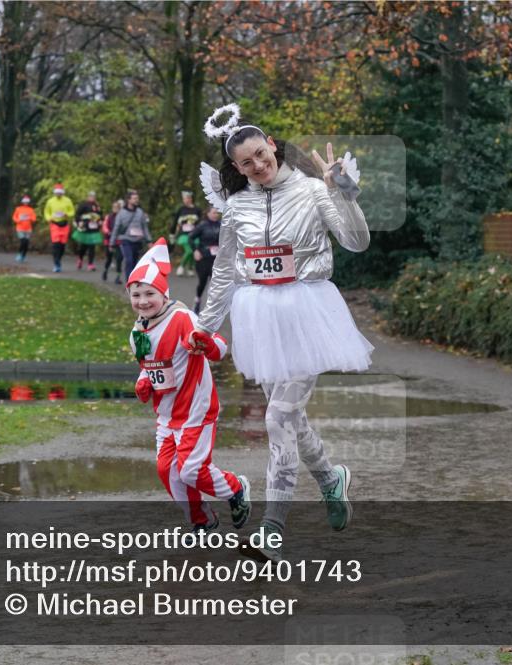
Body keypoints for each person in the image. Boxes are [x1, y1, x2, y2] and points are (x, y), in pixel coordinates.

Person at [191, 103, 372, 561]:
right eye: (245, 162)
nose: (257, 165)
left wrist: (344, 192)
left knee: (276, 419)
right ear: (236, 167)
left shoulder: (314, 189)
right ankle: (331, 481)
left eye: (260, 153)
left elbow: (356, 242)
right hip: (260, 318)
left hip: (307, 312)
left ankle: (272, 529)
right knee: (290, 418)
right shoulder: (236, 208)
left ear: (271, 144)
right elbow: (226, 271)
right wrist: (202, 328)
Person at [126, 238, 251, 532]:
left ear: (163, 293)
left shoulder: (182, 318)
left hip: (196, 409)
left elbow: (219, 349)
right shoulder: (137, 333)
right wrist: (143, 381)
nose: (143, 301)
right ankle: (202, 521)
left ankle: (235, 488)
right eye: (136, 294)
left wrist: (204, 342)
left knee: (191, 470)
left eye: (149, 293)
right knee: (167, 471)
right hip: (167, 415)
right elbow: (149, 367)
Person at [110, 189, 151, 284]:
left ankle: (134, 279)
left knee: (135, 262)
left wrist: (149, 240)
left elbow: (144, 227)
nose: (136, 200)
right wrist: (111, 243)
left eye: (137, 198)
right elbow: (116, 228)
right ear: (128, 200)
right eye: (134, 198)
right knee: (129, 260)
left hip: (138, 241)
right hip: (125, 240)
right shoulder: (121, 213)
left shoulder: (140, 212)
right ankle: (130, 282)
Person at [188, 206, 222, 314]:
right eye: (213, 213)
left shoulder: (222, 225)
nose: (216, 214)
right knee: (202, 282)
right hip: (203, 258)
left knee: (215, 283)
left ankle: (211, 308)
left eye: (217, 213)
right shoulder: (203, 225)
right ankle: (197, 300)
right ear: (208, 214)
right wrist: (195, 251)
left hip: (216, 259)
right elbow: (190, 238)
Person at [44, 183, 75, 273]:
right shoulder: (50, 201)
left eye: (60, 193)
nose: (58, 194)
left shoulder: (67, 200)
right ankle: (56, 264)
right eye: (57, 193)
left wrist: (67, 214)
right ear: (54, 193)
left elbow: (72, 211)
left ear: (62, 193)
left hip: (64, 224)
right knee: (56, 244)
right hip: (54, 224)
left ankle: (58, 260)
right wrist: (49, 218)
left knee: (62, 246)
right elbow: (46, 212)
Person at [170, 190, 202, 277]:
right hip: (183, 234)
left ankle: (190, 268)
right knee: (189, 250)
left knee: (193, 250)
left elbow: (200, 224)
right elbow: (174, 222)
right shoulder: (181, 209)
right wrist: (172, 234)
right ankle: (181, 266)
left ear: (191, 199)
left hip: (194, 234)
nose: (186, 200)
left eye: (188, 198)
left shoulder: (197, 210)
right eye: (184, 199)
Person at [73, 190, 104, 271]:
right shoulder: (83, 205)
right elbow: (77, 215)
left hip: (94, 229)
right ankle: (80, 259)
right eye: (91, 196)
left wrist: (100, 221)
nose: (92, 198)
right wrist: (79, 222)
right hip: (85, 228)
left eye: (93, 196)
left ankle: (90, 264)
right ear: (88, 197)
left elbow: (101, 215)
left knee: (92, 247)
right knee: (83, 246)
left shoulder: (97, 206)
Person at [101, 199, 124, 284]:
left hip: (119, 241)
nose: (115, 209)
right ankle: (105, 271)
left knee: (119, 258)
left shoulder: (122, 217)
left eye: (117, 207)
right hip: (109, 240)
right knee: (109, 258)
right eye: (114, 207)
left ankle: (118, 277)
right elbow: (104, 226)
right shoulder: (109, 217)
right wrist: (108, 232)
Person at [11, 194, 37, 263]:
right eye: (24, 202)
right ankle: (19, 254)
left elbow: (34, 219)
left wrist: (30, 218)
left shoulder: (31, 210)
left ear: (28, 202)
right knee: (23, 241)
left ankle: (23, 256)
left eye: (27, 202)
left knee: (26, 243)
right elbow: (14, 217)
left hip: (28, 229)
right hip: (20, 228)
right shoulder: (18, 209)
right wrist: (19, 220)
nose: (26, 203)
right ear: (22, 202)